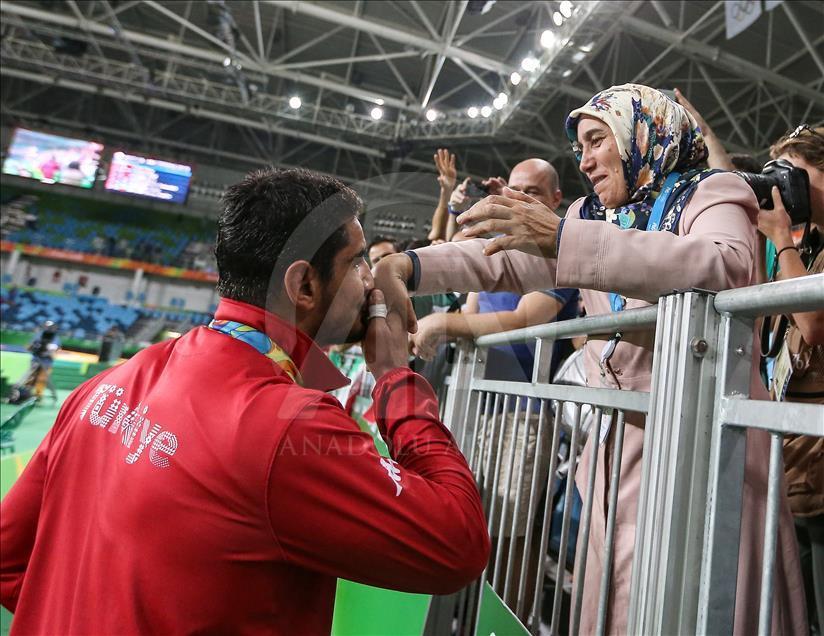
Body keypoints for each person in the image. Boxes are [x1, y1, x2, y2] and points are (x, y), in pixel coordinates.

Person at [375, 84, 806, 635]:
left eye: (596, 140)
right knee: (618, 604)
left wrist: (562, 239)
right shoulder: (593, 214)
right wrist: (408, 268)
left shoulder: (712, 194)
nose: (584, 160)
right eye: (579, 146)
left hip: (706, 449)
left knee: (701, 603)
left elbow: (719, 264)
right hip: (620, 450)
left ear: (641, 133)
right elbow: (497, 262)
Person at [0, 167, 490, 635]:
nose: (370, 281)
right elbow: (457, 543)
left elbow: (8, 561)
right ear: (304, 286)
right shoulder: (288, 428)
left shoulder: (113, 381)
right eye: (358, 262)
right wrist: (394, 377)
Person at [757, 124, 824, 635]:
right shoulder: (816, 242)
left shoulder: (801, 248)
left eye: (795, 176)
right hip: (801, 465)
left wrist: (782, 240)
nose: (786, 189)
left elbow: (812, 323)